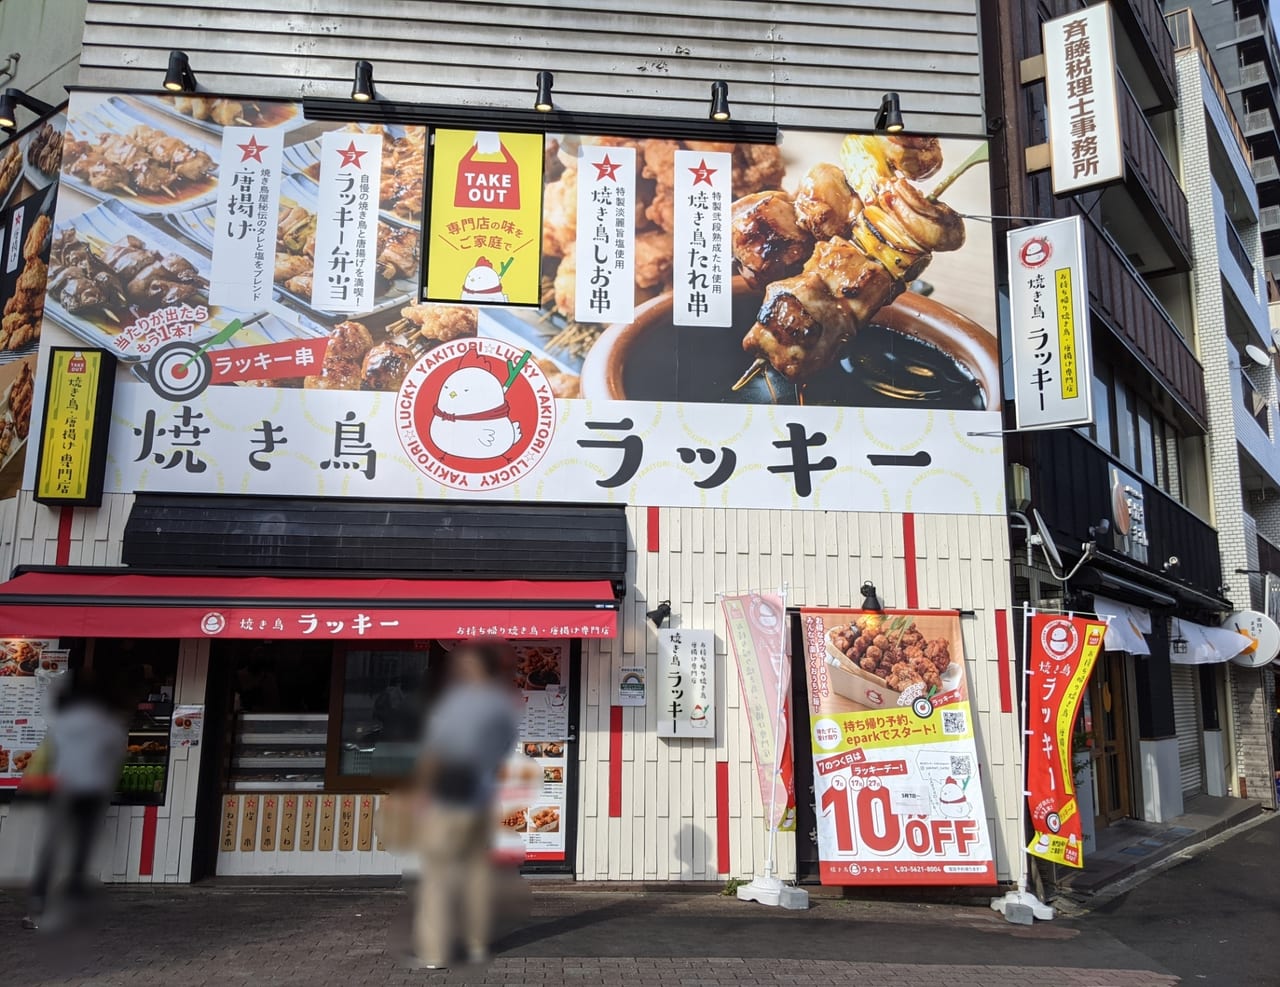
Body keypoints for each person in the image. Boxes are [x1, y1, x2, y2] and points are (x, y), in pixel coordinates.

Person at [411, 642, 519, 970]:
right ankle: (476, 945)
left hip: (449, 799)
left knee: (437, 877)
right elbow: (504, 749)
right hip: (482, 799)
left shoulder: (455, 703)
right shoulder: (504, 704)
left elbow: (435, 751)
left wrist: (422, 792)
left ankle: (434, 952)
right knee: (476, 874)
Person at [24, 671, 126, 930]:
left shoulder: (63, 722)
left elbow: (48, 756)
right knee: (81, 850)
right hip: (93, 791)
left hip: (64, 788)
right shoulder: (110, 725)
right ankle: (74, 904)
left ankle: (39, 903)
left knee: (52, 848)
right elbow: (115, 759)